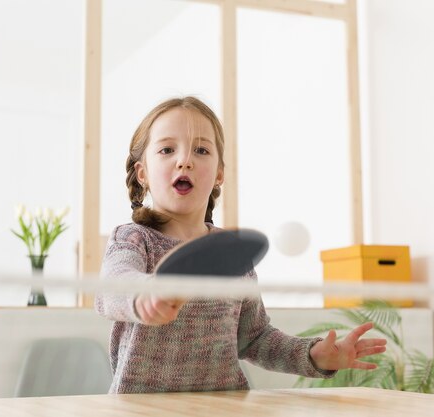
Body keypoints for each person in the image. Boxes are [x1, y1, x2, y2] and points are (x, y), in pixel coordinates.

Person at [95, 96, 387, 394]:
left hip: (225, 407)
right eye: (167, 149)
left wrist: (313, 355)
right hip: (140, 409)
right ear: (142, 173)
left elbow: (255, 338)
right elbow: (113, 286)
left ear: (219, 173)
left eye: (201, 150)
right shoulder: (132, 238)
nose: (185, 160)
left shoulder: (230, 254)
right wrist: (143, 295)